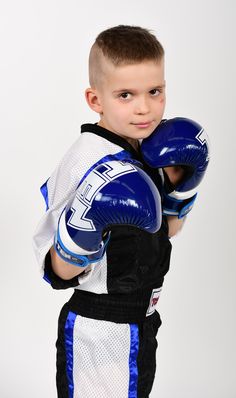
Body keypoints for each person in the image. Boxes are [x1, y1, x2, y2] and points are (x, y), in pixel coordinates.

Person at [33, 25, 209, 398]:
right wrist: (84, 219)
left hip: (142, 322)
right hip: (99, 329)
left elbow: (165, 229)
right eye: (125, 95)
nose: (144, 107)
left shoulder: (151, 149)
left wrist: (186, 184)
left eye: (155, 92)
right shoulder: (84, 161)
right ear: (95, 99)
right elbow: (57, 271)